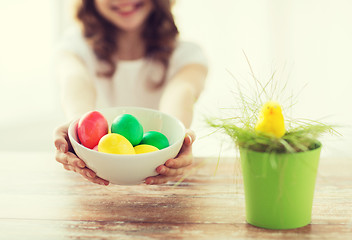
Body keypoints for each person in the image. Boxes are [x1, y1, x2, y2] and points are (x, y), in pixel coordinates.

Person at [53, 0, 208, 186]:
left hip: (161, 180)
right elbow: (75, 81)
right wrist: (77, 126)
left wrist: (177, 138)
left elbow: (182, 91)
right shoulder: (74, 46)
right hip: (90, 182)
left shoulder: (187, 54)